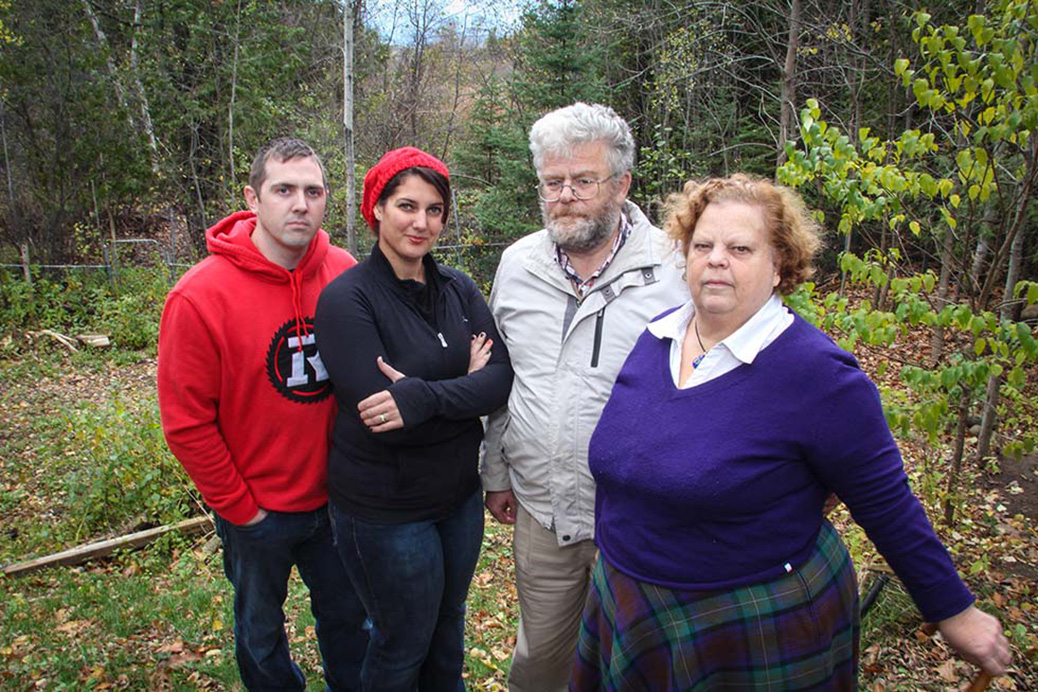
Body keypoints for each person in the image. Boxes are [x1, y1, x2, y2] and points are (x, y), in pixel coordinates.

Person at [573, 174, 1012, 690]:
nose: (716, 259)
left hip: (747, 618)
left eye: (740, 248)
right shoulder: (657, 337)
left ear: (779, 265)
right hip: (631, 604)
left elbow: (888, 504)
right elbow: (620, 463)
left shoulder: (818, 375)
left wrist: (954, 611)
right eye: (703, 245)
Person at [481, 103, 688, 692]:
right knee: (541, 665)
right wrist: (496, 471)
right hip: (543, 515)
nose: (565, 194)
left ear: (621, 184)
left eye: (583, 180)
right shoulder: (517, 265)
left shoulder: (675, 268)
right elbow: (502, 379)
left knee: (639, 665)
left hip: (642, 517)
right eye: (553, 182)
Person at [158, 137, 369, 690]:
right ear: (252, 198)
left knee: (351, 626)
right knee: (260, 635)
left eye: (313, 191)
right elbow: (186, 423)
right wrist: (240, 509)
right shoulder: (199, 297)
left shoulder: (344, 274)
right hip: (256, 513)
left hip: (338, 503)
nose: (300, 204)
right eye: (284, 190)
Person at [314, 146, 513, 692]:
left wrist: (421, 397)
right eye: (406, 205)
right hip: (385, 510)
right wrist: (463, 388)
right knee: (401, 644)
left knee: (447, 633)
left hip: (457, 501)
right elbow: (379, 412)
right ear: (375, 209)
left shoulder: (458, 288)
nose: (420, 222)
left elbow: (499, 381)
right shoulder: (347, 299)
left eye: (433, 209)